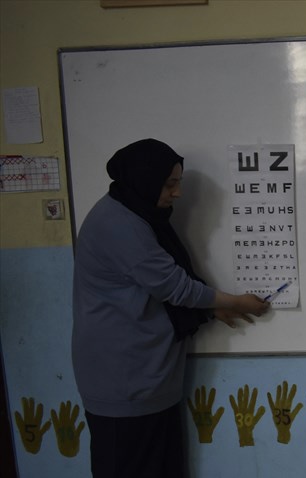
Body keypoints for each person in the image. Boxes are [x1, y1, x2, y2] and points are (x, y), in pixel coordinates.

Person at [72, 138, 269, 477]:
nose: (177, 193)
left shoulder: (140, 214)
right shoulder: (119, 223)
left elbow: (156, 287)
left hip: (149, 377)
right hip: (123, 382)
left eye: (179, 182)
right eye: (170, 183)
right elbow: (172, 286)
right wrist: (234, 302)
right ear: (144, 179)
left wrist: (210, 309)